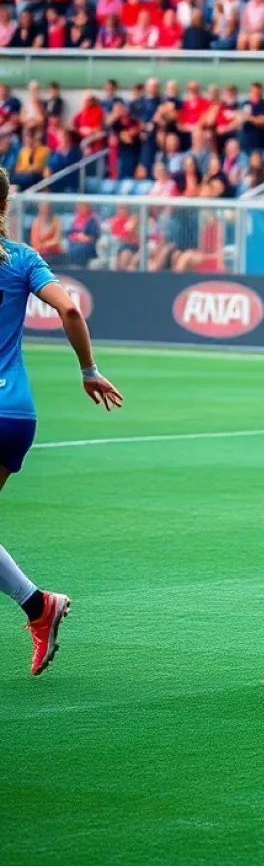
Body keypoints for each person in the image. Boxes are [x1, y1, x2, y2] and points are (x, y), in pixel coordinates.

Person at [0, 168, 122, 675]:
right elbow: (70, 310)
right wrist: (88, 370)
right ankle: (37, 607)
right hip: (14, 411)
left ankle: (38, 606)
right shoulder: (23, 259)